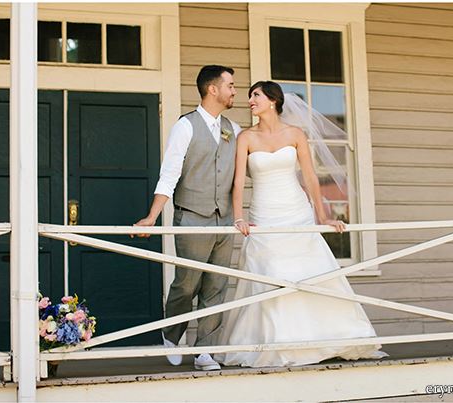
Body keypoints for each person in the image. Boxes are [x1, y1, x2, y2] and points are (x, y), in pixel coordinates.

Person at [216, 81, 387, 368]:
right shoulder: (246, 137)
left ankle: (327, 338)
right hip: (264, 215)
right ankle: (279, 343)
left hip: (297, 211)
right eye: (249, 96)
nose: (250, 100)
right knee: (271, 274)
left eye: (256, 95)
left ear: (273, 100)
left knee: (310, 273)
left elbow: (310, 177)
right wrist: (239, 216)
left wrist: (323, 217)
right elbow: (238, 182)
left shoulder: (296, 134)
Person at [134, 65, 241, 371]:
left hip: (225, 219)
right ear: (213, 89)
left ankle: (204, 351)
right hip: (192, 216)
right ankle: (171, 334)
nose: (234, 91)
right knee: (187, 284)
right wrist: (153, 216)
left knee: (216, 286)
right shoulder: (186, 126)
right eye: (230, 86)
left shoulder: (234, 129)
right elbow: (169, 174)